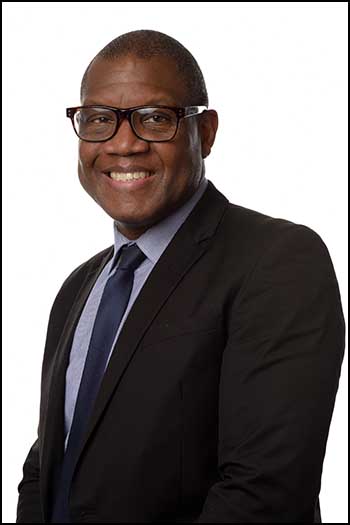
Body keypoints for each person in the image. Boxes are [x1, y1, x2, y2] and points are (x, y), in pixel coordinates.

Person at [16, 29, 345, 524]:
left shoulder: (278, 260)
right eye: (100, 119)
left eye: (154, 118)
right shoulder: (78, 288)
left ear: (205, 132)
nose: (123, 144)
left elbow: (264, 494)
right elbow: (49, 461)